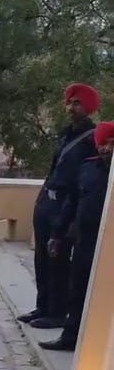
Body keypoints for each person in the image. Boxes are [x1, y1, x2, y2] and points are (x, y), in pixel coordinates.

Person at [20, 83, 98, 329]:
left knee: (59, 260)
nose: (72, 108)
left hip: (66, 205)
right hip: (47, 202)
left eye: (78, 103)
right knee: (42, 258)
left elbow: (83, 179)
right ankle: (42, 306)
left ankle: (56, 313)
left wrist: (73, 218)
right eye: (70, 103)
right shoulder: (65, 134)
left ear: (88, 107)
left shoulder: (92, 139)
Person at [41, 120, 113, 351]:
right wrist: (57, 234)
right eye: (104, 143)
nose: (107, 148)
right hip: (84, 241)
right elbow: (71, 203)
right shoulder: (87, 168)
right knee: (78, 291)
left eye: (113, 143)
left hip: (109, 245)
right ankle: (70, 337)